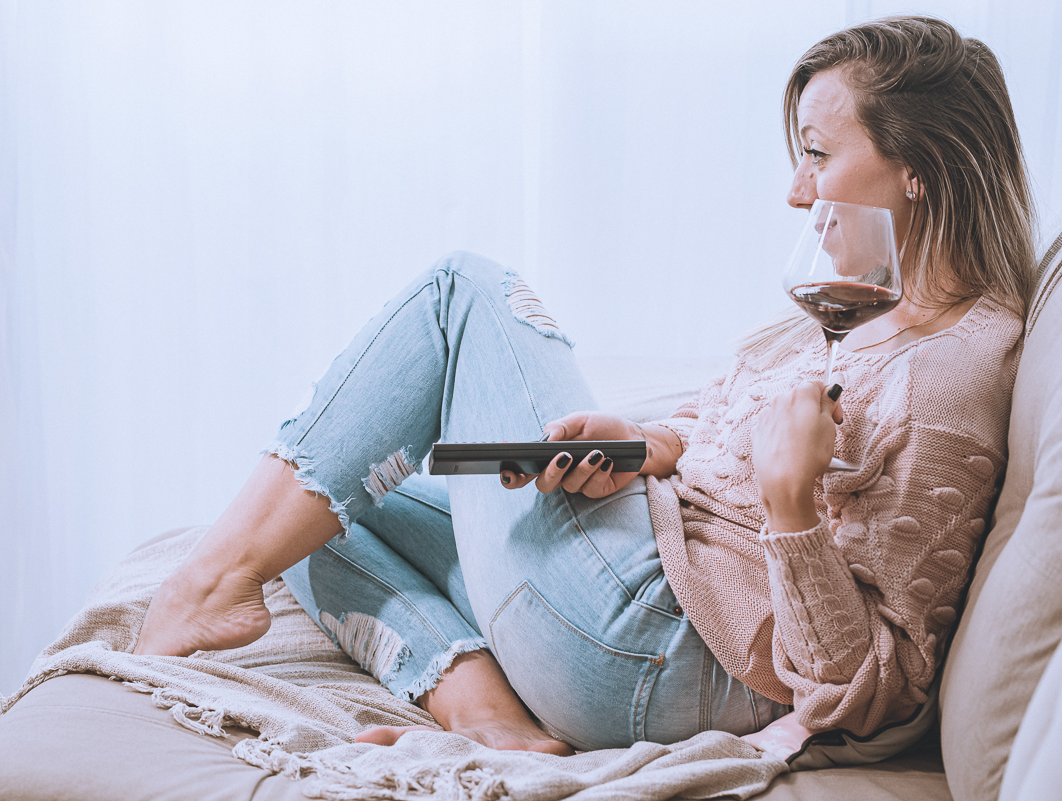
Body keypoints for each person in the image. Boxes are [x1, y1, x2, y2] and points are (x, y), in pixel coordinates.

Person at [133, 15, 1035, 755]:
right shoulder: (871, 309)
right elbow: (738, 431)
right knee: (332, 499)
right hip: (640, 589)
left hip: (656, 644)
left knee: (463, 292)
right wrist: (652, 448)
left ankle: (204, 587)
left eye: (817, 153)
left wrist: (791, 504)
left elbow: (867, 689)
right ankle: (488, 715)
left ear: (918, 167)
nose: (798, 193)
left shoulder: (950, 377)